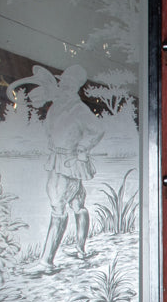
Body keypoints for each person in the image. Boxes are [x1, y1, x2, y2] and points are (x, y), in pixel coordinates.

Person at [9, 64, 104, 274]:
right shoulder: (58, 105)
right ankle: (80, 249)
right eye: (62, 82)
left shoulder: (79, 109)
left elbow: (97, 130)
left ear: (74, 86)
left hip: (68, 162)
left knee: (58, 207)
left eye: (66, 82)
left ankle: (46, 262)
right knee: (78, 203)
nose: (62, 85)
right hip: (57, 158)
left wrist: (81, 148)